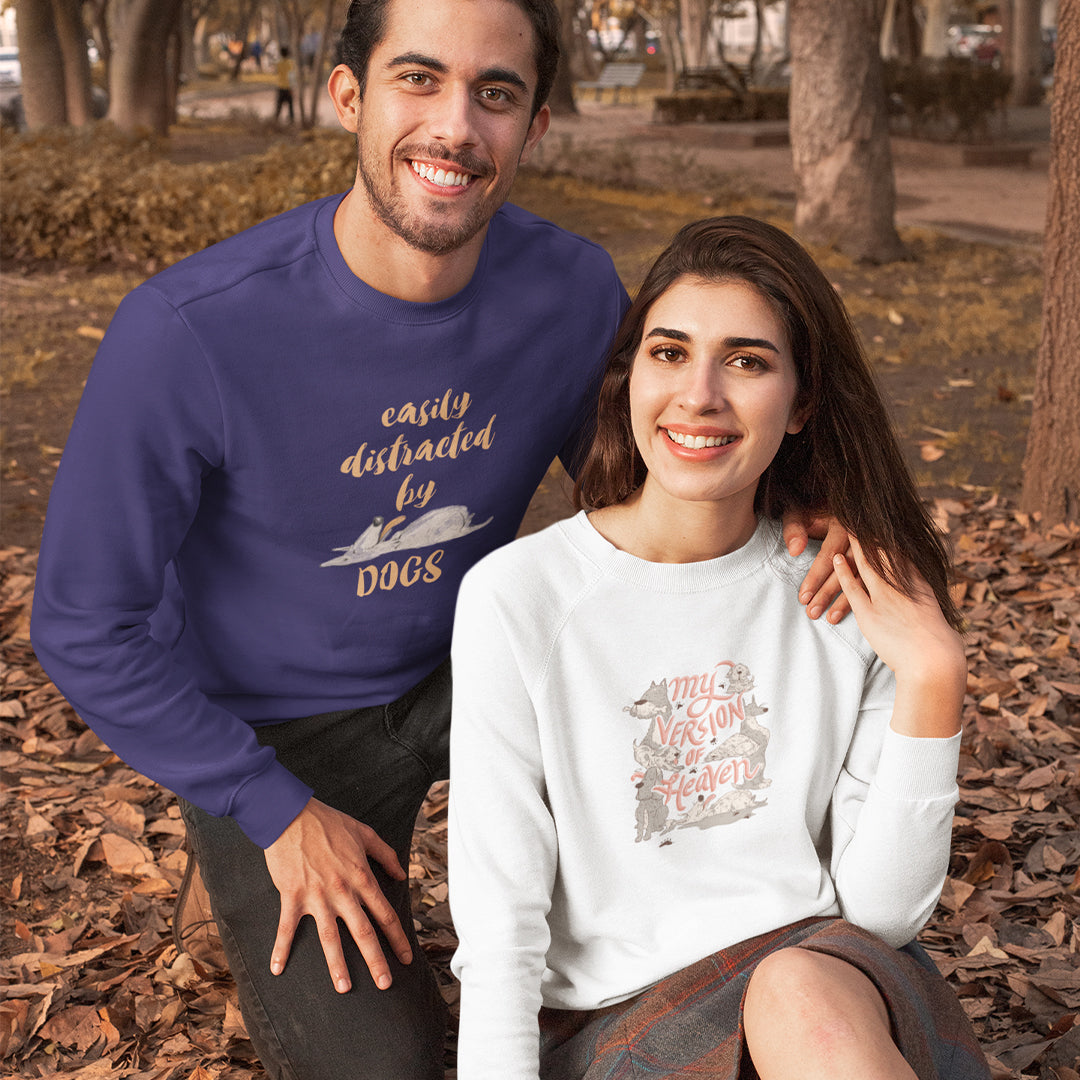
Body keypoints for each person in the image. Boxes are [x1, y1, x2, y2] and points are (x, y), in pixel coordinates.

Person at [30, 2, 846, 1076]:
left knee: (676, 819)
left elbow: (641, 476)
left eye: (495, 93)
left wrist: (798, 516)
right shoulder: (190, 332)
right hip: (281, 736)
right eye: (418, 80)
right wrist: (268, 809)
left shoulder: (566, 292)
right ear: (348, 98)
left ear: (536, 126)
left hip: (484, 665)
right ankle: (230, 851)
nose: (456, 126)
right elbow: (84, 625)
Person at [448, 217, 991, 1079]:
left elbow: (884, 912)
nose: (699, 394)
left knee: (797, 998)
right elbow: (500, 916)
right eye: (669, 353)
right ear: (628, 379)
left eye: (747, 361)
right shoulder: (520, 598)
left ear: (802, 401)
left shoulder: (851, 590)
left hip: (828, 989)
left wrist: (933, 677)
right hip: (625, 1022)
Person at [274, 45, 295, 123]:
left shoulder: (278, 63)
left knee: (279, 106)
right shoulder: (290, 63)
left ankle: (276, 120)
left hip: (280, 86)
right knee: (290, 106)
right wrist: (292, 87)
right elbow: (291, 76)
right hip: (288, 87)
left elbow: (276, 72)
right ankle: (291, 120)